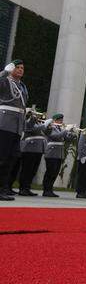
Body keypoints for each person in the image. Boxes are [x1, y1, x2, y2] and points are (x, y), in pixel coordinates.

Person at [0, 60, 28, 201]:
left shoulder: (21, 86)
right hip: (5, 123)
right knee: (2, 157)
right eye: (17, 67)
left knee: (12, 158)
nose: (20, 70)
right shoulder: (6, 81)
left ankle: (3, 188)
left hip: (17, 125)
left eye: (22, 68)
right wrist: (5, 71)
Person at [42, 113, 76, 197]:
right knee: (50, 171)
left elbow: (66, 139)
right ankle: (46, 190)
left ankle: (50, 189)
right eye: (59, 120)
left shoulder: (61, 128)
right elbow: (55, 136)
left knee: (55, 172)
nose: (61, 121)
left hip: (59, 152)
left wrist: (71, 134)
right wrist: (65, 130)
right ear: (55, 120)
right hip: (51, 152)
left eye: (61, 120)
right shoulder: (51, 127)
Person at [18, 110, 47, 196]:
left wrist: (48, 126)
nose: (37, 116)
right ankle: (23, 188)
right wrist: (34, 118)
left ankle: (27, 187)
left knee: (33, 170)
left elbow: (46, 133)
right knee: (27, 169)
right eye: (34, 114)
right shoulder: (28, 122)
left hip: (38, 149)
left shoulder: (38, 124)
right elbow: (32, 128)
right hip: (29, 148)